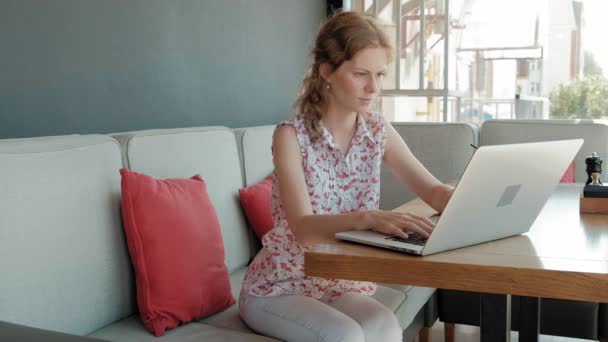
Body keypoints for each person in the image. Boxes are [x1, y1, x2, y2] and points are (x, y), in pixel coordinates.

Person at [239, 11, 454, 342]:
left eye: (380, 75)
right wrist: (367, 218)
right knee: (345, 336)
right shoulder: (290, 136)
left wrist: (480, 203)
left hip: (338, 284)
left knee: (385, 327)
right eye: (361, 74)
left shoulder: (377, 130)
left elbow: (435, 192)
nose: (374, 88)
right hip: (278, 286)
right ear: (327, 71)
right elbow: (303, 229)